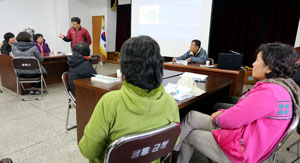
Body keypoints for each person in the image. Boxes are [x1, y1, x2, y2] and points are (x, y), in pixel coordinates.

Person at [174, 43, 300, 163]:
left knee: (190, 135)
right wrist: (222, 114)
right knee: (192, 116)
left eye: (257, 60)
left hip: (243, 148)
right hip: (248, 136)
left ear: (268, 67)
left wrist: (219, 117)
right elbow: (244, 112)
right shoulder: (283, 88)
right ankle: (171, 151)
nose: (253, 64)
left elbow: (228, 121)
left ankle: (171, 155)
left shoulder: (269, 93)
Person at [78, 36, 180, 163]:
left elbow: (88, 150)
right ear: (159, 66)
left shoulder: (110, 102)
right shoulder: (170, 102)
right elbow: (173, 141)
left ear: (125, 67)